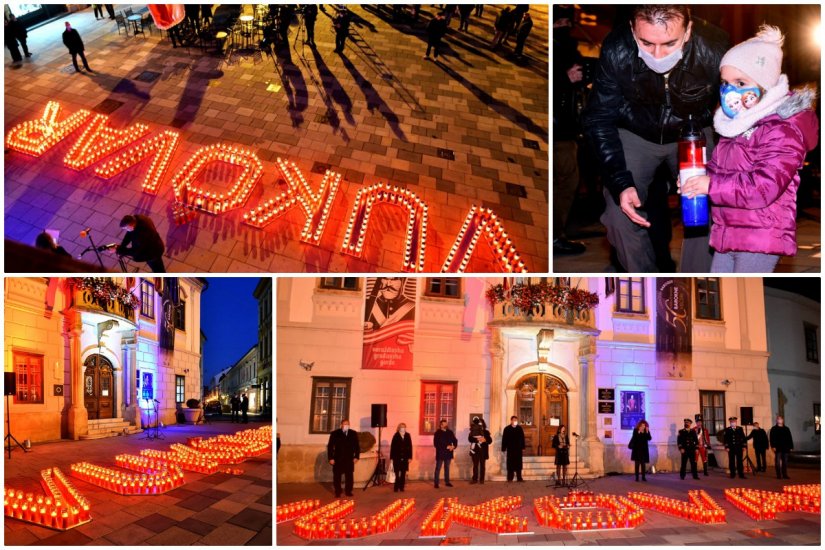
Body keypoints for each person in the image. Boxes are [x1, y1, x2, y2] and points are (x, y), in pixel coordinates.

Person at [581, 5, 728, 273]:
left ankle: (695, 279)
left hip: (692, 132)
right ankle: (646, 281)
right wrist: (620, 182)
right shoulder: (617, 48)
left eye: (669, 43)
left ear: (688, 30)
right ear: (632, 29)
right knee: (618, 211)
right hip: (636, 131)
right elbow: (599, 117)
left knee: (708, 207)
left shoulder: (715, 47)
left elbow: (737, 105)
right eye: (646, 43)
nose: (657, 55)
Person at [679, 25, 819, 273]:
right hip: (728, 232)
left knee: (741, 292)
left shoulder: (781, 130)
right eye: (725, 83)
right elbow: (723, 168)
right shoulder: (735, 125)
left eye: (740, 82)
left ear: (764, 84)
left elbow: (764, 186)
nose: (730, 91)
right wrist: (697, 179)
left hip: (761, 237)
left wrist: (710, 184)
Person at [327, 419, 359, 497]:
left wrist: (356, 456)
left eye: (348, 424)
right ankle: (338, 491)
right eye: (344, 424)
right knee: (337, 476)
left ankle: (348, 491)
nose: (346, 425)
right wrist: (330, 458)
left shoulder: (353, 433)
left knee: (349, 476)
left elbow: (357, 446)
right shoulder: (335, 433)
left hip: (349, 459)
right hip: (338, 459)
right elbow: (330, 446)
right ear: (341, 425)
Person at [433, 419, 457, 488]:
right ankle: (436, 483)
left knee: (447, 468)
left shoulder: (450, 432)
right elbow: (436, 444)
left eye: (446, 424)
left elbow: (455, 440)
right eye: (444, 424)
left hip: (448, 453)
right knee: (438, 468)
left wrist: (453, 446)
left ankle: (447, 482)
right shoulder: (437, 433)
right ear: (441, 425)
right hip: (440, 453)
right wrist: (446, 446)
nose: (446, 425)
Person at [501, 416, 526, 482]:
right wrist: (504, 448)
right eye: (514, 420)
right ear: (511, 421)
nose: (515, 421)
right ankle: (510, 478)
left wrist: (523, 447)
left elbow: (522, 438)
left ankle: (519, 478)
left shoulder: (519, 428)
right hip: (510, 449)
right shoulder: (507, 429)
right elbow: (504, 439)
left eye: (516, 420)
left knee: (518, 464)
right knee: (510, 463)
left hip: (518, 449)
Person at [468, 417, 492, 484]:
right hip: (475, 451)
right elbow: (470, 439)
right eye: (479, 423)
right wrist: (477, 440)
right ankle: (474, 479)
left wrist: (485, 440)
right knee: (475, 465)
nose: (480, 424)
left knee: (482, 466)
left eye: (481, 423)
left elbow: (490, 441)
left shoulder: (486, 432)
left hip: (483, 451)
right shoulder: (473, 431)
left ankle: (482, 480)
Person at [390, 423, 413, 492]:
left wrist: (410, 457)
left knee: (403, 473)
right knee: (397, 473)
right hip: (397, 457)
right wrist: (391, 458)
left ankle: (402, 487)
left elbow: (410, 446)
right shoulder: (396, 435)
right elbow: (392, 447)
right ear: (399, 428)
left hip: (405, 457)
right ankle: (396, 487)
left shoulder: (407, 435)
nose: (403, 428)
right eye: (402, 427)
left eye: (404, 427)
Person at [769, 415, 794, 479]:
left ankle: (785, 474)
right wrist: (773, 446)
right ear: (777, 420)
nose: (779, 420)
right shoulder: (774, 429)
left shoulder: (786, 428)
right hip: (778, 447)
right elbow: (772, 438)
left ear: (783, 420)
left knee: (785, 462)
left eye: (781, 419)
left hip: (785, 447)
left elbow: (789, 438)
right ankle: (779, 475)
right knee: (777, 462)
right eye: (778, 419)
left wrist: (791, 446)